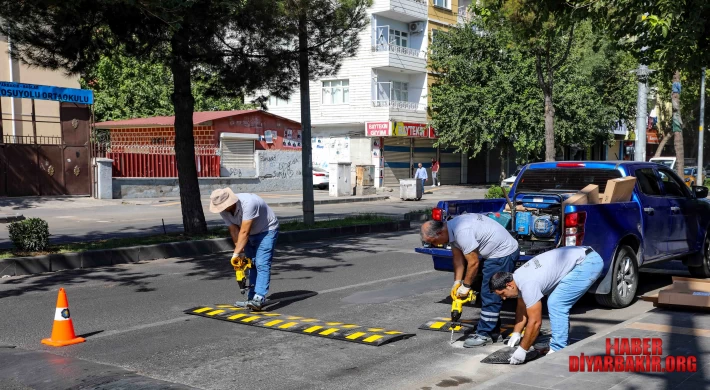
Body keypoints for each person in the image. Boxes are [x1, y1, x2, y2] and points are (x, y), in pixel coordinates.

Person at [489, 246, 604, 365]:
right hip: (582, 256)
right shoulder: (517, 277)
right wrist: (517, 332)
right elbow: (522, 307)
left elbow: (535, 323)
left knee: (556, 303)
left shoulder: (528, 285)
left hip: (587, 263)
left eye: (502, 294)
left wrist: (523, 350)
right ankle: (560, 340)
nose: (503, 298)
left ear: (509, 285)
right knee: (556, 300)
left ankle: (558, 348)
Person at [420, 215, 520, 347]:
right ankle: (493, 332)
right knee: (487, 292)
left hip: (503, 253)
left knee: (490, 293)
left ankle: (485, 334)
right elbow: (458, 259)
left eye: (433, 241)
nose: (434, 244)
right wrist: (457, 282)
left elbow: (473, 263)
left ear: (439, 232)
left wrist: (466, 286)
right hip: (492, 253)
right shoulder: (451, 229)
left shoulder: (462, 232)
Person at [209, 188, 280, 311]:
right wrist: (239, 252)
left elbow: (244, 231)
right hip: (248, 233)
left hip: (266, 230)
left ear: (230, 202)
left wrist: (235, 254)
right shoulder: (224, 210)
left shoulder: (249, 203)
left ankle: (259, 298)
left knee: (261, 263)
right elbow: (234, 230)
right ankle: (251, 297)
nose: (222, 209)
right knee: (250, 263)